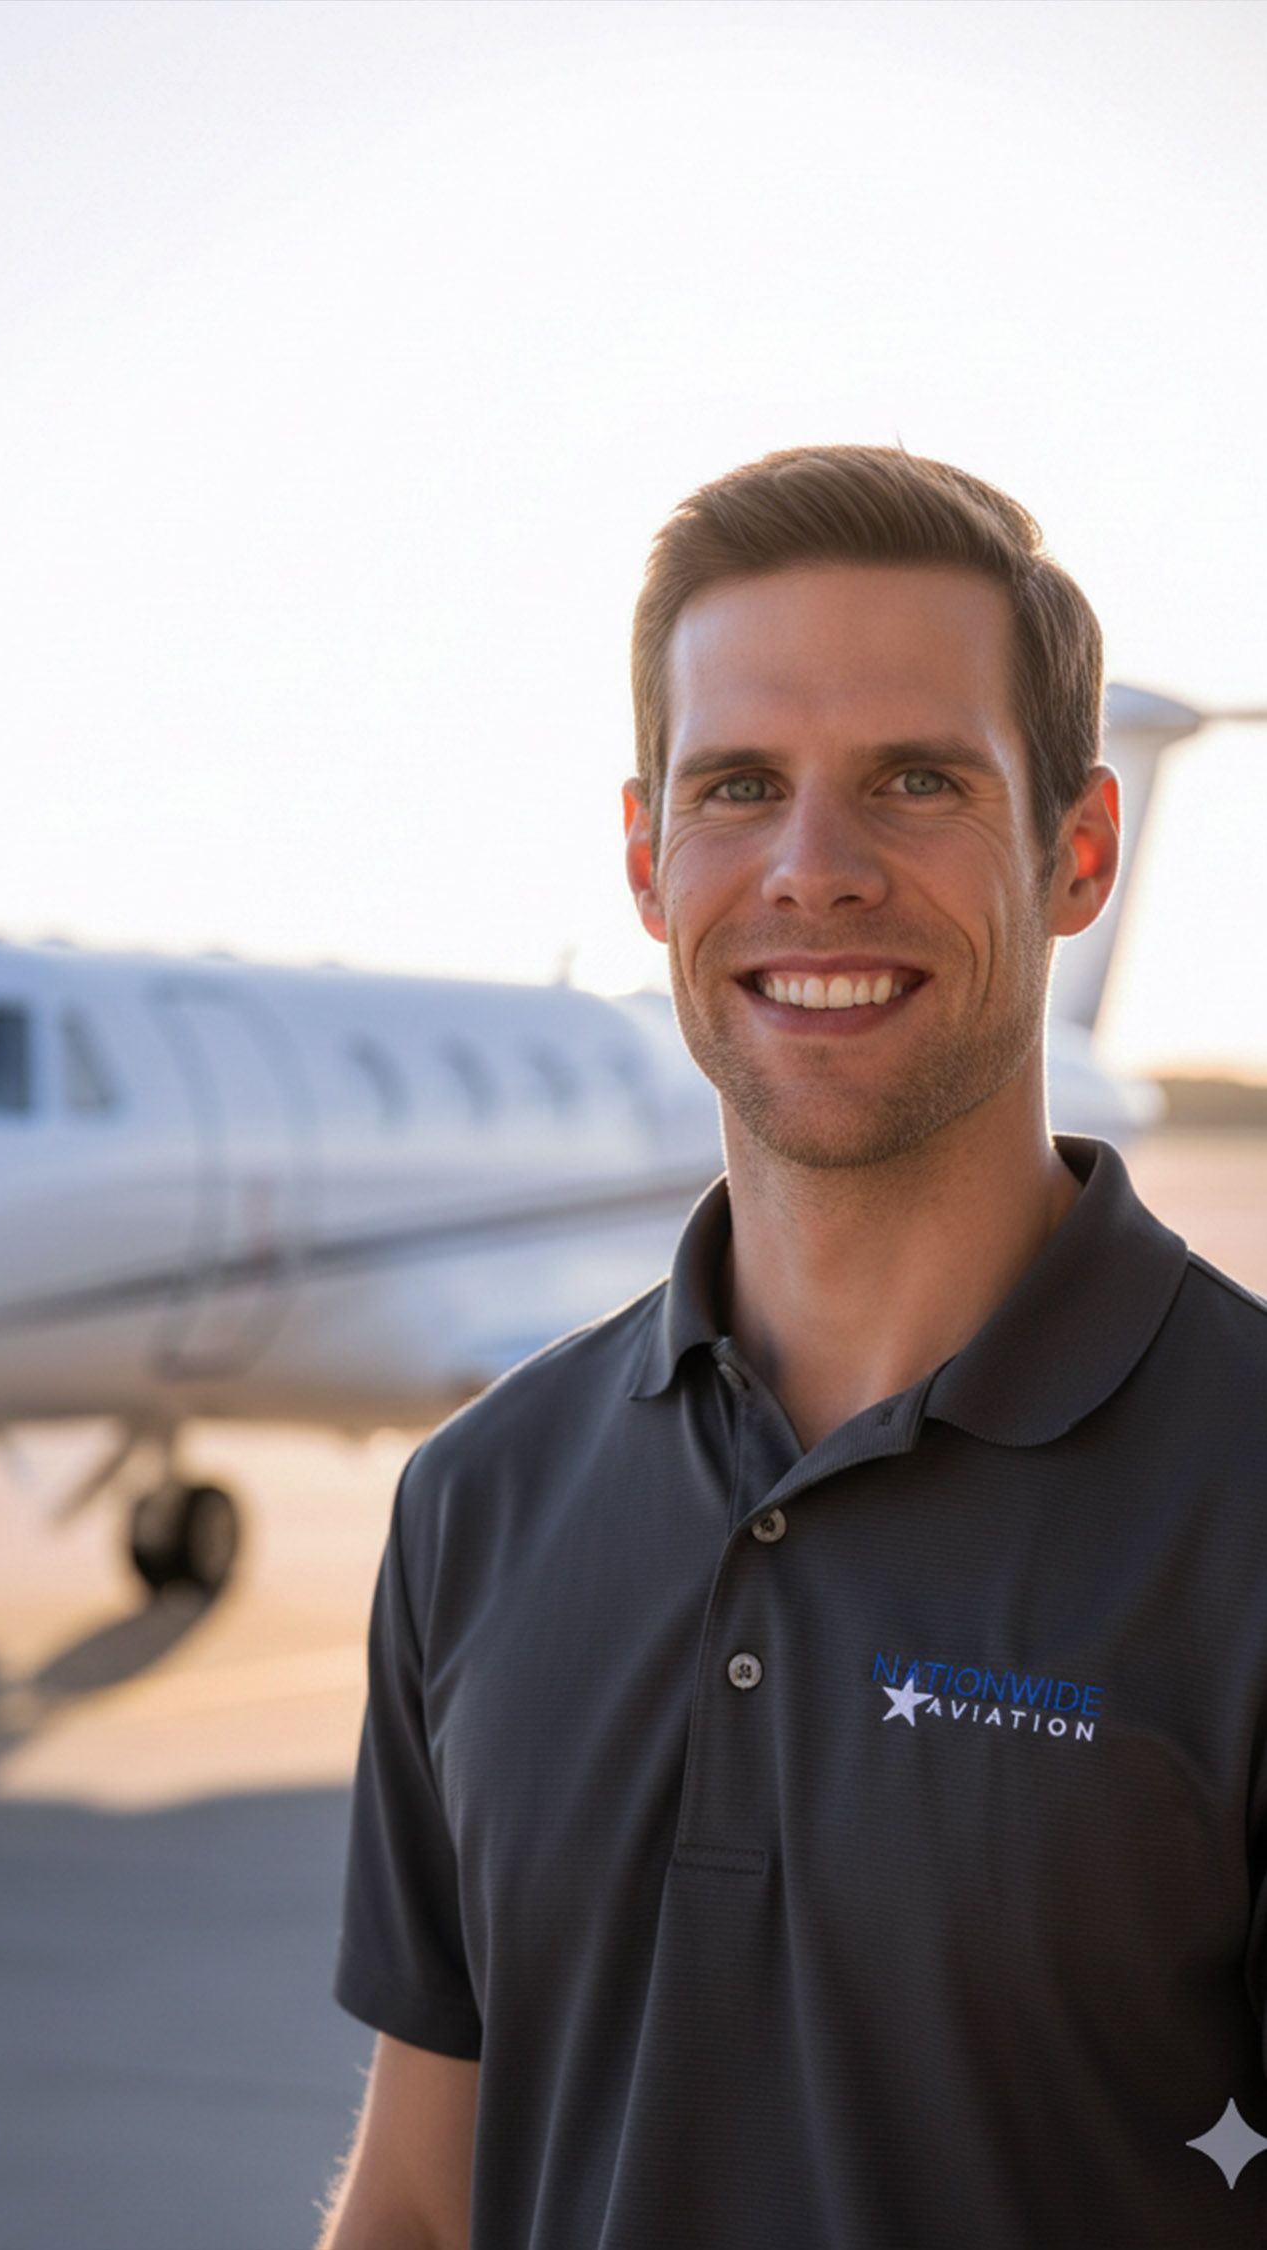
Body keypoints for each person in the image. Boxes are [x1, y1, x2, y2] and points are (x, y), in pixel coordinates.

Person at [315, 444, 1267, 2249]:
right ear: (649, 861)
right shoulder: (476, 1504)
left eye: (917, 781)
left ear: (1076, 851)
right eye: (739, 786)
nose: (814, 872)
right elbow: (424, 2204)